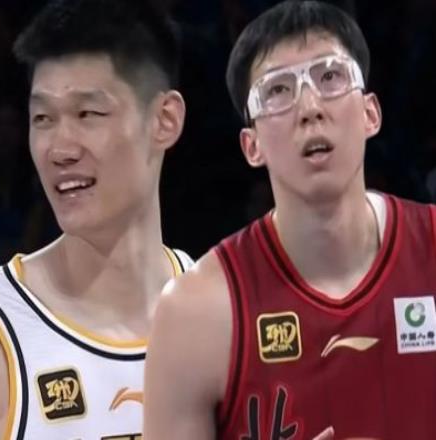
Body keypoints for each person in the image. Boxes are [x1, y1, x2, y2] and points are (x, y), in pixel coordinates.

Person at [143, 1, 436, 439]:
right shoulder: (193, 313)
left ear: (370, 113)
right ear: (252, 146)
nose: (309, 107)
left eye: (330, 77)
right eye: (278, 91)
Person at [0, 0, 191, 438]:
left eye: (87, 114)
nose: (60, 149)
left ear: (164, 120)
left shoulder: (222, 312)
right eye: (43, 118)